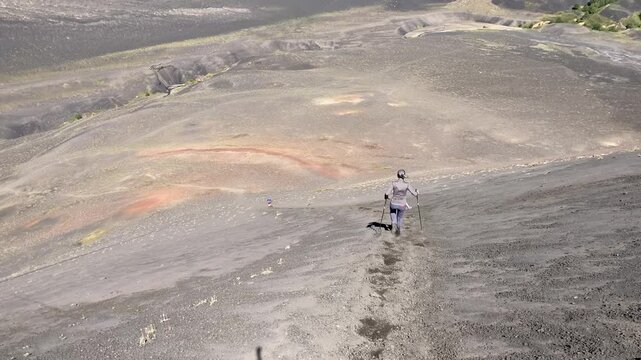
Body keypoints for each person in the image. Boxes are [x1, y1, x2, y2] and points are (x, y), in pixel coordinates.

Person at [384, 169, 418, 235]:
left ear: (397, 175)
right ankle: (398, 230)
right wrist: (417, 192)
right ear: (404, 176)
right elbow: (415, 194)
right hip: (402, 204)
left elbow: (387, 193)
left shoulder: (393, 183)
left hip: (393, 203)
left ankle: (394, 223)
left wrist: (386, 197)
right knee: (400, 218)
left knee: (392, 212)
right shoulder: (407, 184)